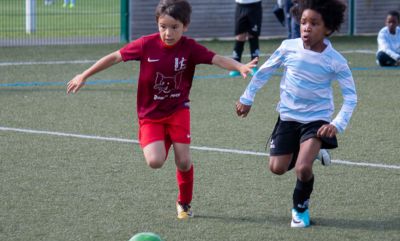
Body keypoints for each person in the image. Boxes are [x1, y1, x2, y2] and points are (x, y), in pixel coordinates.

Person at [67, 0, 256, 220]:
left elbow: (217, 59)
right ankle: (163, 138)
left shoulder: (190, 48)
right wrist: (85, 75)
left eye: (174, 27)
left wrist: (239, 66)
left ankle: (184, 204)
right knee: (155, 161)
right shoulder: (146, 44)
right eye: (163, 26)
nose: (168, 33)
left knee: (183, 161)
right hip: (150, 116)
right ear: (157, 24)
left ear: (185, 25)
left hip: (178, 110)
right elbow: (115, 57)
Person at [236, 0, 357, 228]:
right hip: (288, 118)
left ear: (328, 28)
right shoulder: (288, 47)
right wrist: (247, 97)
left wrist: (337, 124)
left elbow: (351, 97)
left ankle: (300, 208)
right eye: (303, 22)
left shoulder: (336, 61)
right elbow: (264, 71)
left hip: (317, 121)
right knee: (277, 168)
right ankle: (313, 153)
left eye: (314, 23)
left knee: (302, 168)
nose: (306, 27)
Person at [229, 0, 262, 77]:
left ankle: (253, 66)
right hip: (240, 5)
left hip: (255, 5)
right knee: (240, 36)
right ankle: (236, 67)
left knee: (253, 35)